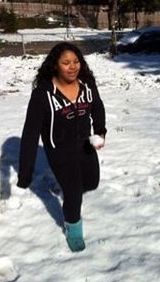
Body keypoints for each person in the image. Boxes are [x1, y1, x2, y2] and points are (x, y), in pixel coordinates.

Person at [17, 43, 106, 253]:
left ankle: (70, 188)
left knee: (92, 182)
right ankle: (73, 230)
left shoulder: (87, 85)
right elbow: (30, 135)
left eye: (76, 62)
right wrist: (25, 173)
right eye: (66, 63)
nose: (72, 67)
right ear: (55, 65)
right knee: (74, 193)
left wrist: (100, 132)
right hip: (60, 152)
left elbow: (97, 106)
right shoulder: (43, 95)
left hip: (85, 145)